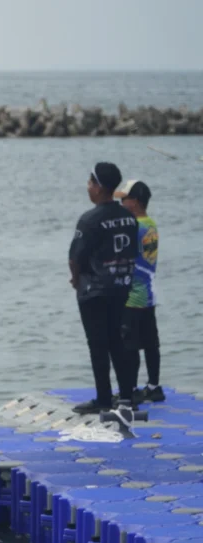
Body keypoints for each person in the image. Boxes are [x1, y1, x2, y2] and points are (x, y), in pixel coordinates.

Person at [68, 162, 140, 416]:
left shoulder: (90, 219)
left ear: (99, 187)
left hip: (95, 290)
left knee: (98, 345)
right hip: (121, 286)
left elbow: (75, 257)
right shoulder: (129, 217)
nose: (88, 187)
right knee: (118, 342)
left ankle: (103, 399)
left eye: (90, 182)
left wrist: (76, 280)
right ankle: (127, 397)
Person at [115, 179, 165, 404]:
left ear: (134, 202)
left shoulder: (134, 227)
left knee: (130, 344)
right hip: (149, 292)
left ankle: (132, 388)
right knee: (151, 342)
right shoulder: (151, 224)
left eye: (124, 199)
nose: (121, 203)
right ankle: (154, 386)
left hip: (132, 296)